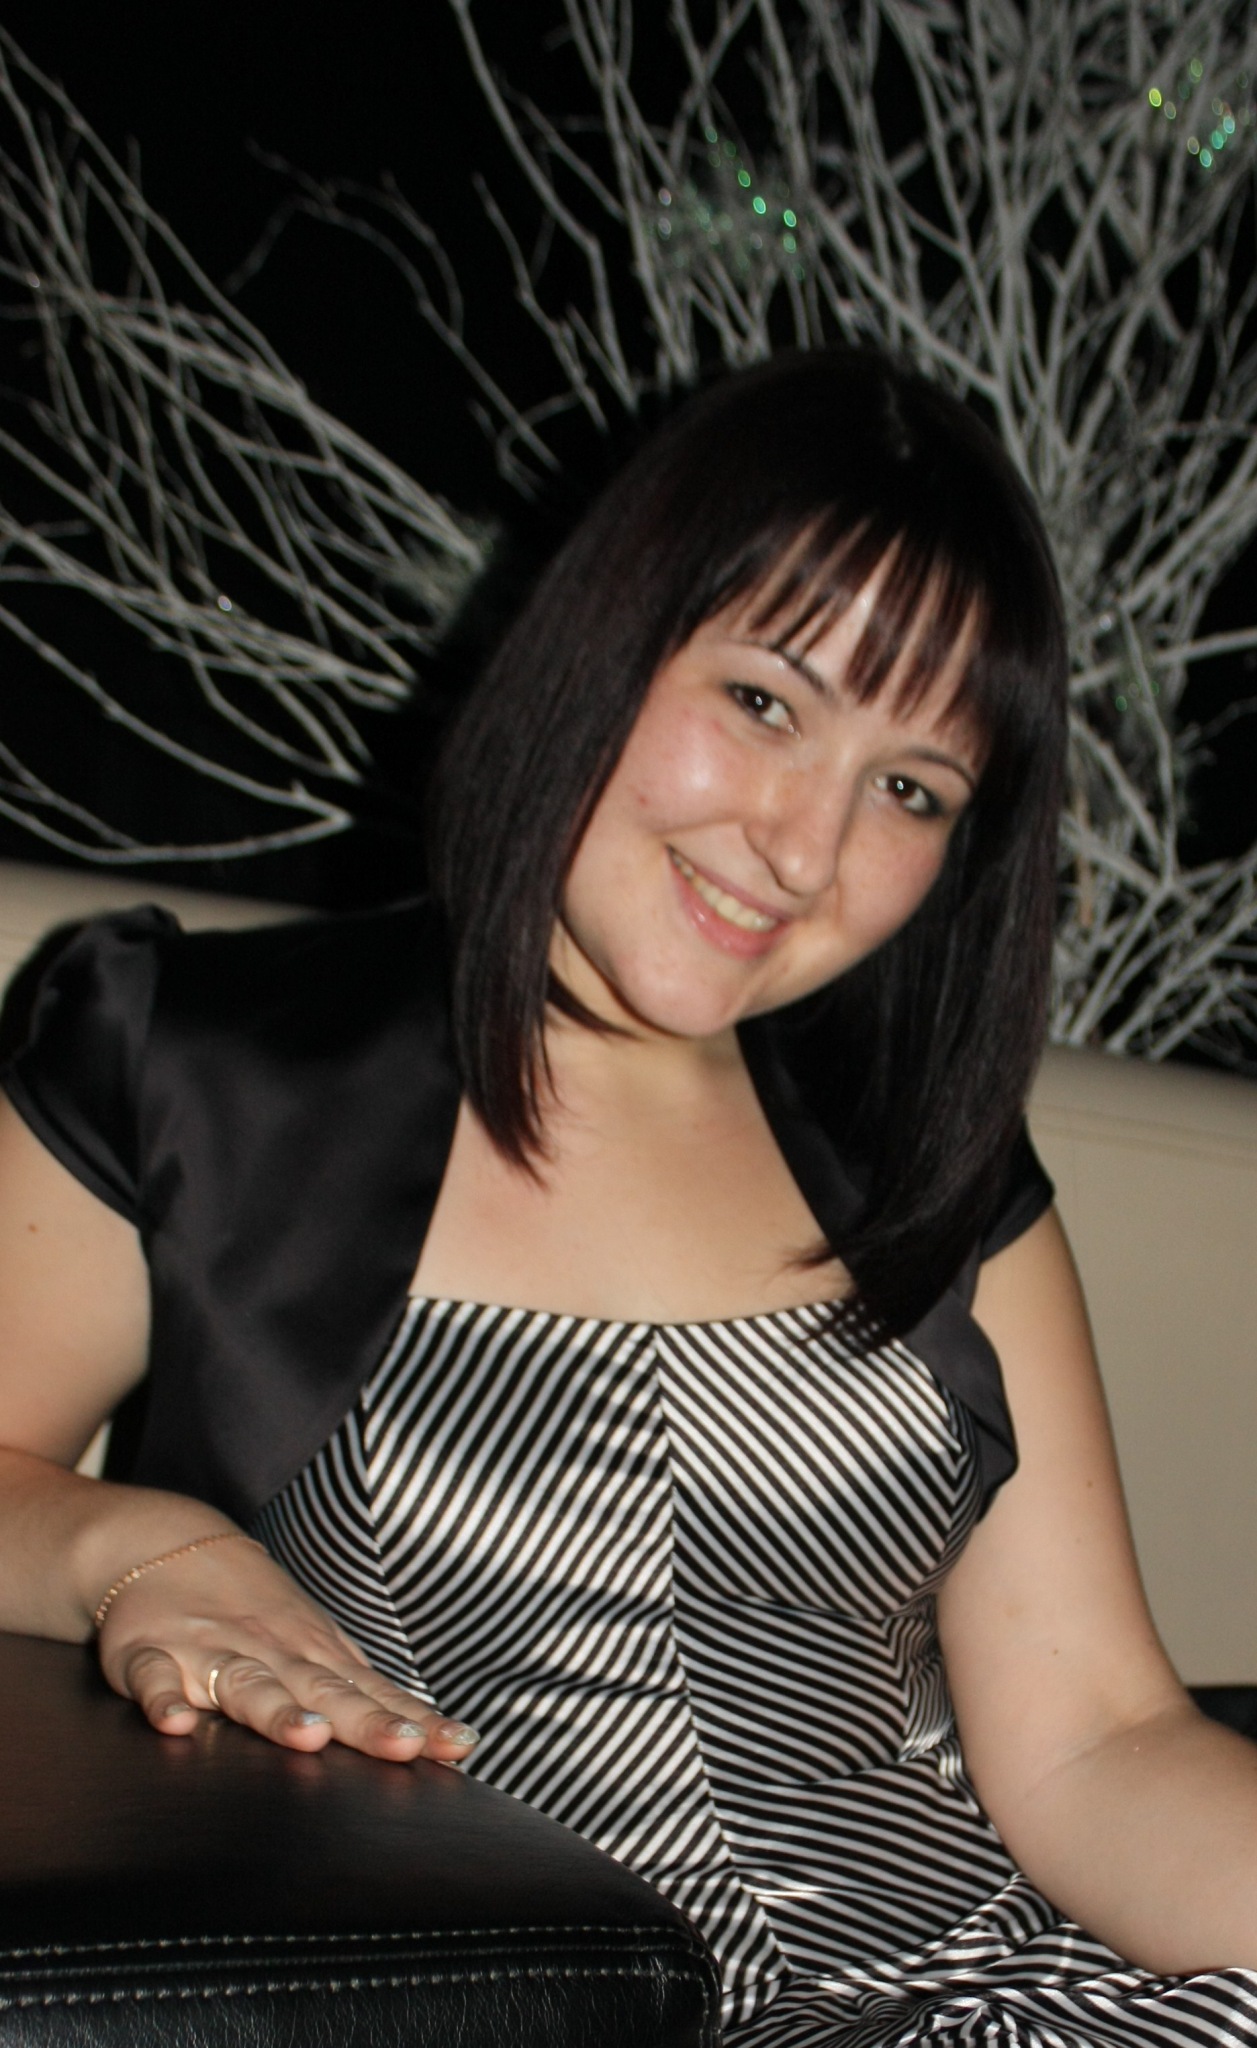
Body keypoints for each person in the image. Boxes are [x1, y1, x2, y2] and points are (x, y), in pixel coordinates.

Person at [2, 348, 1256, 2047]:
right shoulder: (196, 1066)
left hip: (989, 1993)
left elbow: (1099, 1743)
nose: (801, 847)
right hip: (521, 2004)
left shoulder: (931, 1163)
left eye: (908, 789)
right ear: (606, 637)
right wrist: (135, 1552)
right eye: (764, 702)